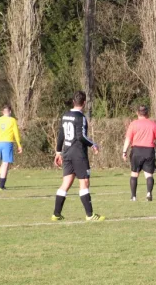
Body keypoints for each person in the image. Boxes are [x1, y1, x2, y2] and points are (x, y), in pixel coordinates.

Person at [52, 91, 105, 222]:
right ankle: (90, 215)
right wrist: (93, 144)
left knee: (66, 183)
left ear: (73, 101)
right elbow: (81, 136)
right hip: (78, 154)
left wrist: (58, 152)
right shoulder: (80, 117)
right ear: (84, 103)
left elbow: (61, 135)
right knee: (84, 182)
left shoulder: (65, 115)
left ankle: (56, 214)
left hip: (67, 153)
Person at [122, 105, 156, 201]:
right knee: (149, 174)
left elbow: (128, 139)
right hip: (149, 151)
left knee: (134, 174)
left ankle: (133, 196)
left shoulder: (133, 124)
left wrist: (124, 151)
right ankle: (149, 193)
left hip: (137, 151)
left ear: (137, 113)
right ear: (147, 113)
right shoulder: (152, 124)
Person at [0, 104, 22, 191]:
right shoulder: (12, 120)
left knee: (3, 163)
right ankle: (1, 185)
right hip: (7, 143)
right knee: (6, 163)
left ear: (2, 112)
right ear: (10, 111)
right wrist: (19, 144)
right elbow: (16, 133)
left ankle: (1, 182)